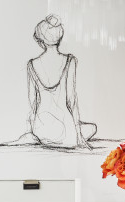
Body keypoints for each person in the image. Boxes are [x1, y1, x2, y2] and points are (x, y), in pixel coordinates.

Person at [11, 14, 97, 150]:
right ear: (59, 38)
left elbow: (33, 102)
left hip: (40, 129)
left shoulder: (31, 64)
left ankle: (41, 135)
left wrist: (31, 130)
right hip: (65, 133)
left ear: (41, 40)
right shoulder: (70, 61)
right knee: (92, 128)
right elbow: (71, 100)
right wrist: (78, 134)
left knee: (86, 128)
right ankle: (74, 133)